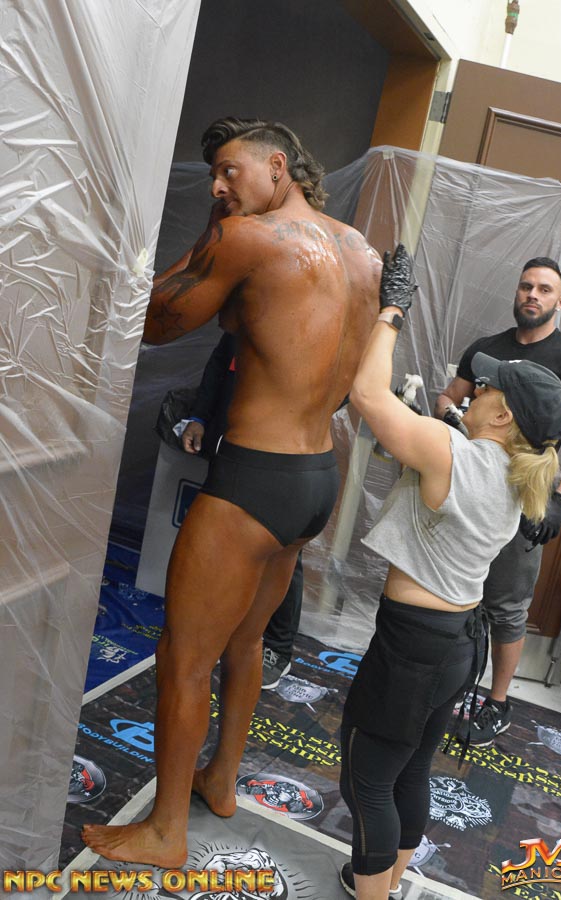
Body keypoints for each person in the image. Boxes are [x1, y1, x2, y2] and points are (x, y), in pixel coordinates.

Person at [82, 117, 381, 866]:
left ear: (277, 166)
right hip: (315, 480)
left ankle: (164, 831)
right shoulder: (361, 251)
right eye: (214, 176)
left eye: (228, 171)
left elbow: (153, 322)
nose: (217, 186)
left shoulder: (248, 238)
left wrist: (212, 234)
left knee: (184, 655)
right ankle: (219, 780)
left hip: (253, 479)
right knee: (245, 642)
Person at [339, 246, 561, 900]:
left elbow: (365, 395)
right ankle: (385, 881)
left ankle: (373, 891)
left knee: (367, 781)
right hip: (457, 645)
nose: (477, 388)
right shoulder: (513, 474)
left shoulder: (453, 454)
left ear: (503, 414)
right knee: (411, 772)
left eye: (487, 388)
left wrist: (392, 310)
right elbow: (440, 453)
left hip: (413, 646)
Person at [434, 257, 561, 746]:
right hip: (469, 490)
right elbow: (447, 397)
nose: (533, 294)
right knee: (450, 587)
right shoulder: (487, 350)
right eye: (526, 286)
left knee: (506, 606)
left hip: (525, 497)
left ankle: (498, 702)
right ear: (516, 292)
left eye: (545, 289)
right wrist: (453, 422)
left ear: (560, 301)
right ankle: (442, 685)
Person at [182, 331, 302, 689]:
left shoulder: (313, 319)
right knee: (221, 541)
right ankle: (217, 627)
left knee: (281, 548)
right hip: (229, 443)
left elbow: (336, 393)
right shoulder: (246, 314)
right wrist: (199, 417)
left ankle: (277, 647)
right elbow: (220, 363)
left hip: (280, 453)